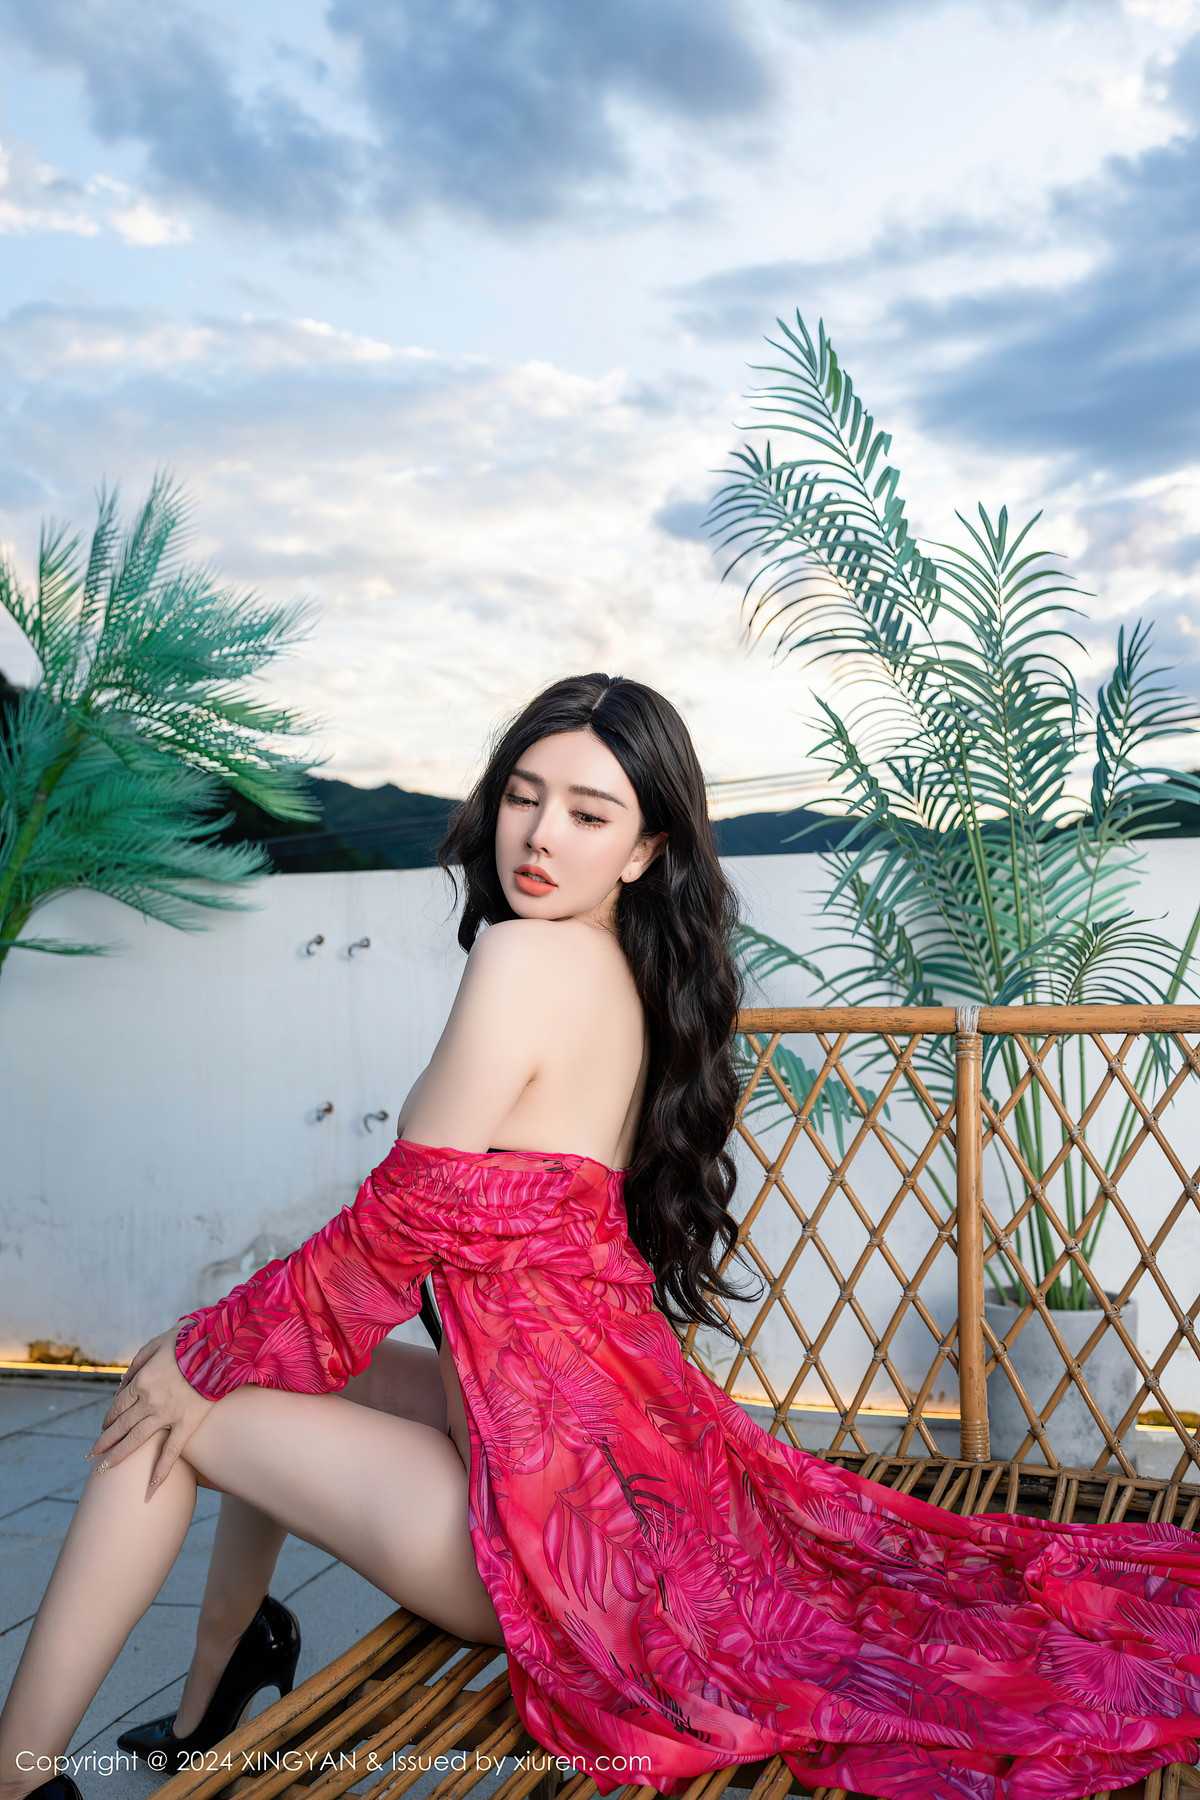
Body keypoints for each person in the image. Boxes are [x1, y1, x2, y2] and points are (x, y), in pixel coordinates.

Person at [3, 671, 1200, 1800]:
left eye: (587, 813)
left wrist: (203, 1352)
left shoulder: (523, 953)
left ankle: (19, 1772)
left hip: (554, 1543)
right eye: (523, 797)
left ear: (643, 848)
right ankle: (211, 1694)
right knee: (246, 1356)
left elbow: (406, 1218)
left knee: (167, 1403)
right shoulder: (623, 969)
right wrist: (228, 1338)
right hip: (593, 1469)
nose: (539, 836)